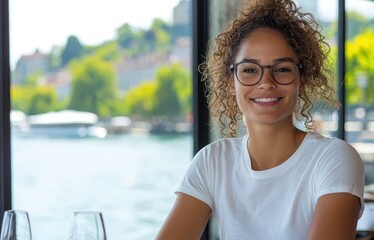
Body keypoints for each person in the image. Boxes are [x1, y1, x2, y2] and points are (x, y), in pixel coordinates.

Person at [156, 0, 365, 239]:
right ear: (230, 82)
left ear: (302, 79)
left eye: (282, 69)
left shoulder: (334, 159)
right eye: (250, 70)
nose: (266, 82)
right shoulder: (212, 161)